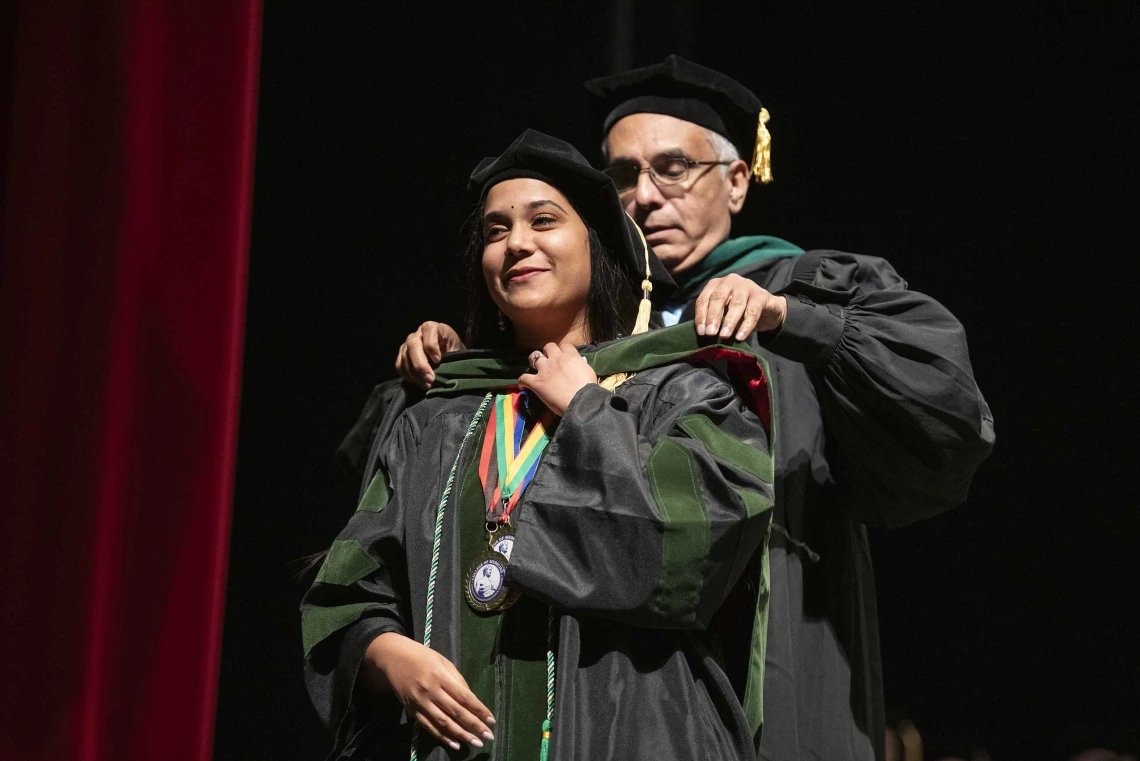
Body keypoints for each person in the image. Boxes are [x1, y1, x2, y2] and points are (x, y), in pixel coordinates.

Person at [379, 56, 996, 761]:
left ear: (737, 179)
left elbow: (946, 412)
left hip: (779, 622)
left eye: (673, 169)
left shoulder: (795, 286)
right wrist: (468, 359)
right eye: (620, 176)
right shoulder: (605, 326)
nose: (644, 196)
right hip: (615, 688)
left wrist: (790, 318)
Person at [304, 129, 781, 760]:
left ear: (600, 247)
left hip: (639, 736)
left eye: (544, 220)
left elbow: (695, 555)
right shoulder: (438, 417)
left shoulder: (683, 396)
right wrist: (385, 654)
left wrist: (587, 410)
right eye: (496, 231)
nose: (517, 243)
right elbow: (349, 592)